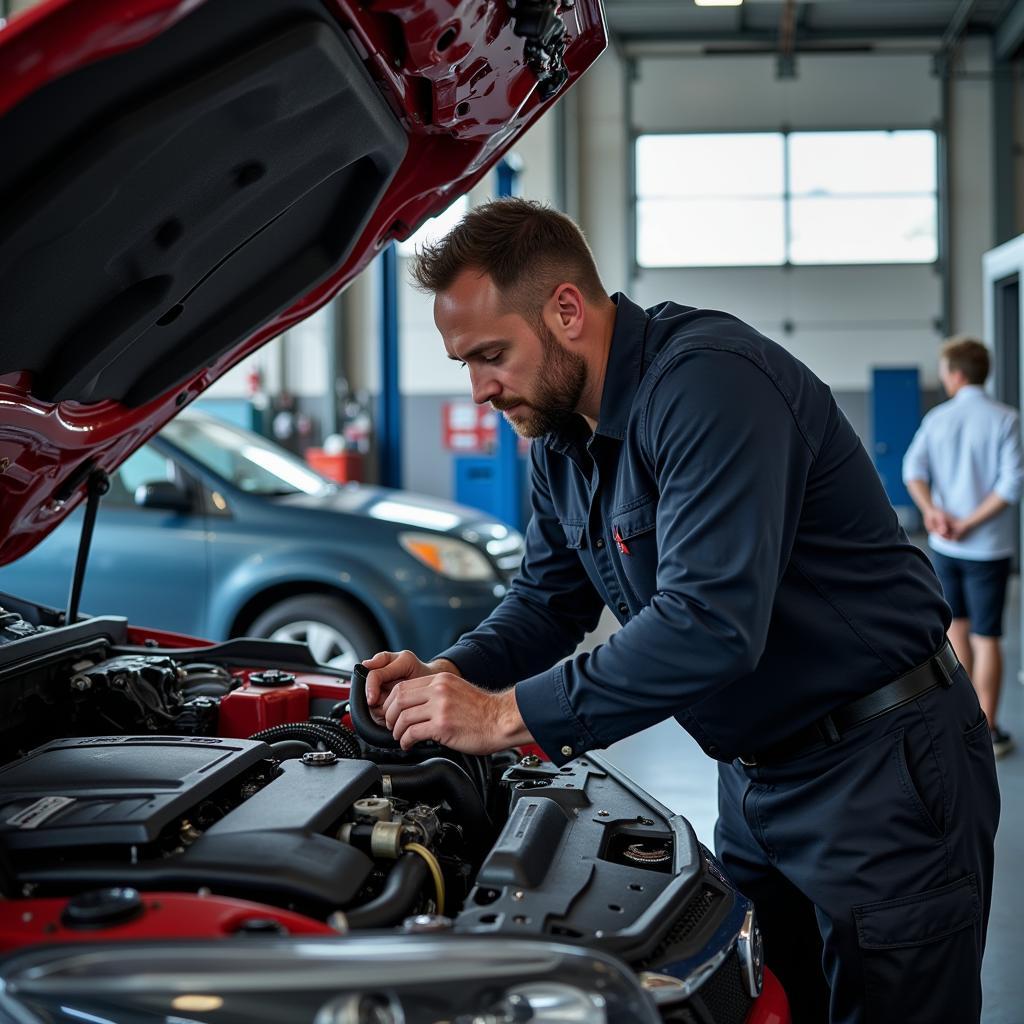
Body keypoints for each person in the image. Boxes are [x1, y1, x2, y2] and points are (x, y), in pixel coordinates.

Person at [362, 199, 999, 1024]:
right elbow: (547, 604)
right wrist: (450, 675)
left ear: (565, 310)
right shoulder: (561, 440)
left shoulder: (708, 383)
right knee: (767, 1007)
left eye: (492, 356)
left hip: (882, 772)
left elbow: (710, 624)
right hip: (755, 781)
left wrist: (504, 716)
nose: (481, 389)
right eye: (465, 365)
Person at [903, 336, 1024, 759]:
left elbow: (911, 470)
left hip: (944, 545)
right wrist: (970, 522)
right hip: (988, 547)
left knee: (957, 631)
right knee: (989, 637)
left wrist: (934, 513)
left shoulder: (938, 418)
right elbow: (1011, 485)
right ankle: (989, 730)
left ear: (955, 374)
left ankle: (965, 722)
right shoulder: (1006, 418)